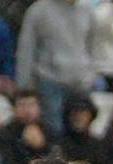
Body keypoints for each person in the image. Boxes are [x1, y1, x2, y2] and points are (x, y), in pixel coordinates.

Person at [14, 0, 96, 135]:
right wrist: (24, 86)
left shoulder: (88, 10)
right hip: (50, 81)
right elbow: (26, 48)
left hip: (81, 82)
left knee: (80, 131)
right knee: (54, 131)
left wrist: (91, 74)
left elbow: (92, 46)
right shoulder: (38, 10)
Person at [0, 89, 56, 164]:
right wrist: (23, 143)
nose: (27, 110)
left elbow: (56, 162)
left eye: (31, 105)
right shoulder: (5, 133)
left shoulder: (49, 131)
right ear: (14, 109)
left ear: (39, 108)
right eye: (22, 105)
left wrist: (42, 146)